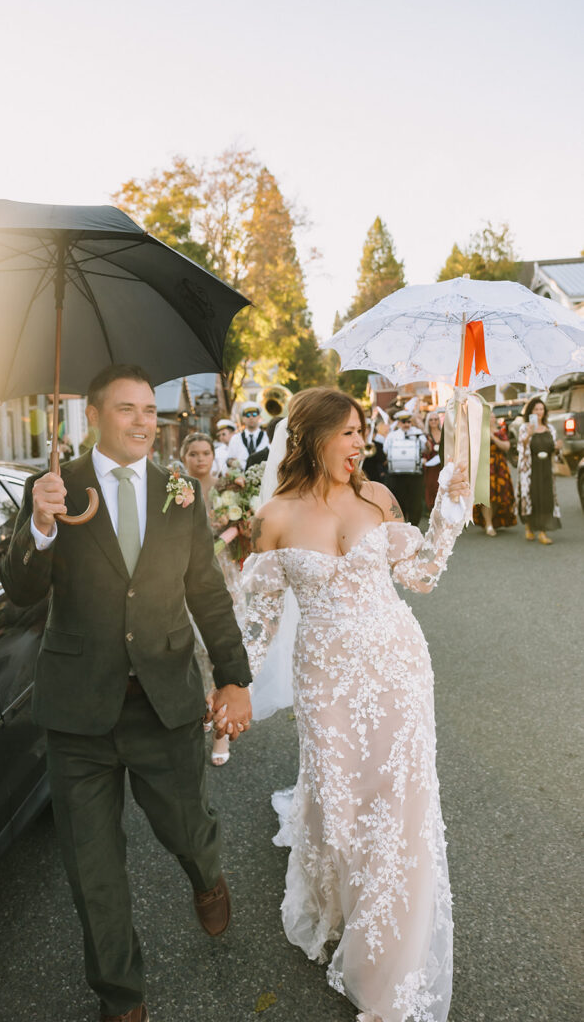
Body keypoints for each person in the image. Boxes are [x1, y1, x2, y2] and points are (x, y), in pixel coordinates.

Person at [0, 364, 252, 1022]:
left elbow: (206, 593)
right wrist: (42, 528)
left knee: (186, 829)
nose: (143, 420)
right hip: (77, 710)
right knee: (92, 869)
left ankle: (205, 875)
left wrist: (233, 677)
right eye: (126, 409)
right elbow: (20, 591)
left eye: (149, 410)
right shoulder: (54, 487)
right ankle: (121, 996)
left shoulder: (179, 490)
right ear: (92, 417)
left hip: (163, 699)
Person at [242, 387, 469, 1022]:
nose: (358, 443)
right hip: (325, 682)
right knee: (342, 801)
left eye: (360, 431)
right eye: (345, 432)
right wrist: (229, 687)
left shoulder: (379, 498)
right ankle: (338, 903)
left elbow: (419, 575)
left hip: (397, 668)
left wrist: (448, 511)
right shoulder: (276, 516)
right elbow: (255, 621)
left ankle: (389, 949)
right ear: (311, 438)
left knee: (399, 804)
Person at [180, 431, 240, 767]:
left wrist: (230, 533)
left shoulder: (230, 488)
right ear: (184, 456)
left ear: (212, 456)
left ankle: (221, 730)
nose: (200, 459)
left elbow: (244, 526)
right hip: (186, 576)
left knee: (219, 647)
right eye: (194, 454)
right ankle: (203, 709)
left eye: (205, 453)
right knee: (194, 649)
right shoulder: (176, 489)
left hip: (224, 574)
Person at [515, 396, 562, 544]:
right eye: (536, 409)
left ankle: (542, 531)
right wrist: (529, 434)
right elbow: (520, 449)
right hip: (530, 469)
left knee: (546, 498)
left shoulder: (550, 428)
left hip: (546, 467)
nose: (539, 412)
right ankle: (529, 527)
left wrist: (557, 448)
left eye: (541, 409)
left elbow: (554, 450)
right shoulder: (524, 427)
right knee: (531, 496)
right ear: (530, 411)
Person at [472, 412, 517, 536]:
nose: (492, 418)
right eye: (489, 416)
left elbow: (506, 447)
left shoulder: (500, 432)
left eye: (493, 416)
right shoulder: (479, 432)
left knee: (499, 496)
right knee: (487, 497)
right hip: (485, 466)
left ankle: (492, 520)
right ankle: (488, 524)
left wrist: (493, 437)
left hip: (499, 466)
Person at [382, 410, 427, 525]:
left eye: (408, 421)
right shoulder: (392, 435)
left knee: (415, 502)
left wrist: (422, 430)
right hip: (397, 475)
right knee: (399, 501)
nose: (406, 424)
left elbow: (426, 448)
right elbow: (386, 450)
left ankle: (414, 526)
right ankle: (401, 525)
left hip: (414, 475)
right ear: (398, 423)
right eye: (403, 422)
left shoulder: (417, 433)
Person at [226, 401, 270, 466]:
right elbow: (229, 459)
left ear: (259, 417)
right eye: (247, 415)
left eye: (254, 414)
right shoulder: (236, 439)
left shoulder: (267, 437)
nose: (251, 417)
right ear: (243, 419)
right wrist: (232, 463)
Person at [422, 410, 443, 511]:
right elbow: (423, 452)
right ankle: (432, 510)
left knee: (443, 487)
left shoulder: (444, 434)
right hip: (431, 466)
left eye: (436, 419)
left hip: (443, 465)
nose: (433, 421)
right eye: (431, 420)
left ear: (439, 421)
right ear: (428, 422)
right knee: (431, 487)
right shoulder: (426, 436)